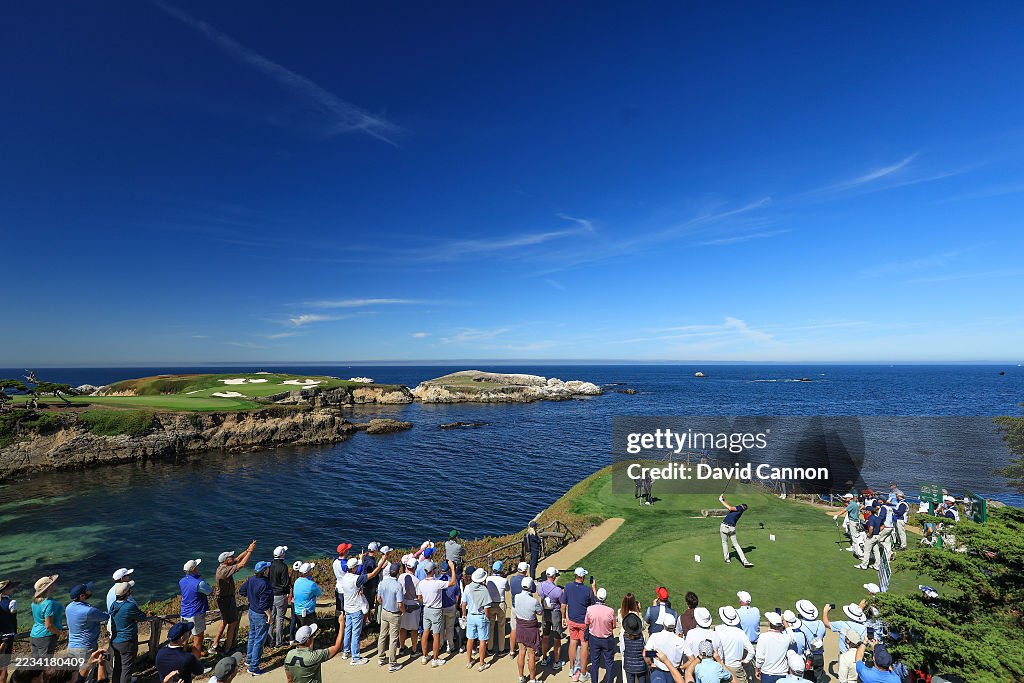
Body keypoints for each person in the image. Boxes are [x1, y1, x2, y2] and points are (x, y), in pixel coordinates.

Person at [341, 552, 387, 665]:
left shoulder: (345, 577)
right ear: (353, 568)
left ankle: (346, 652)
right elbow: (372, 574)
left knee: (348, 630)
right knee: (356, 633)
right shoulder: (356, 579)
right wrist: (381, 563)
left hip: (347, 607)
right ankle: (355, 658)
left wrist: (361, 561)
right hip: (356, 609)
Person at [212, 541, 256, 655]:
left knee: (225, 621)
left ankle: (215, 644)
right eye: (230, 557)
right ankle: (228, 648)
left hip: (224, 599)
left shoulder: (223, 566)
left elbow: (237, 559)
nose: (233, 557)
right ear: (226, 561)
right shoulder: (224, 571)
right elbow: (241, 564)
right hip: (226, 599)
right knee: (233, 622)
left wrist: (247, 549)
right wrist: (250, 552)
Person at [416, 559, 457, 667]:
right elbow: (452, 582)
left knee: (425, 632)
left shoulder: (421, 583)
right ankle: (435, 659)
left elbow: (419, 598)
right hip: (436, 610)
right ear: (433, 570)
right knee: (436, 635)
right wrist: (452, 568)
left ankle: (424, 656)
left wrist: (425, 602)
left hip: (426, 609)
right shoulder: (437, 583)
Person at [64, 582, 108, 681]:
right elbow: (105, 616)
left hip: (72, 646)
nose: (90, 591)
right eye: (87, 591)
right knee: (86, 677)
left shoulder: (68, 607)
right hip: (85, 648)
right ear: (82, 596)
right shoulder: (88, 611)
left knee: (74, 676)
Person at [238, 561, 274, 675]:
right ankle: (253, 667)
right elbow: (264, 605)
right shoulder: (265, 584)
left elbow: (241, 591)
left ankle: (248, 660)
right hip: (260, 615)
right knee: (259, 640)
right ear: (264, 571)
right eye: (267, 568)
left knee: (252, 636)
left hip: (252, 611)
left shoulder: (251, 579)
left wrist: (252, 598)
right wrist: (269, 615)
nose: (269, 569)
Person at [108, 581, 147, 683]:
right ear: (127, 593)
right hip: (127, 641)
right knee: (126, 669)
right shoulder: (129, 606)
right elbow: (142, 617)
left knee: (118, 666)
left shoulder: (113, 605)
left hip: (115, 640)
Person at [564, 567, 596, 683]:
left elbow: (563, 604)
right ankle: (583, 673)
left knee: (573, 642)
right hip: (583, 623)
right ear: (582, 577)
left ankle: (571, 669)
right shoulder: (588, 590)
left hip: (572, 621)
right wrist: (594, 588)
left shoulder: (567, 587)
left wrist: (563, 617)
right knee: (584, 644)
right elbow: (594, 605)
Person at [462, 568, 495, 672]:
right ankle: (481, 663)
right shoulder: (484, 590)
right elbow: (486, 608)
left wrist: (464, 615)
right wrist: (488, 619)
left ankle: (469, 660)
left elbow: (463, 604)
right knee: (482, 640)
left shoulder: (467, 588)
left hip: (470, 616)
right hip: (481, 617)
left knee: (470, 639)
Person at [179, 559, 212, 660]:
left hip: (184, 612)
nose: (198, 567)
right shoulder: (199, 583)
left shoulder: (182, 581)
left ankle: (183, 659)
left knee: (184, 637)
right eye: (197, 566)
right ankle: (195, 666)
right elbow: (209, 591)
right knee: (198, 639)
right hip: (196, 613)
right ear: (194, 569)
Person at [512, 576, 543, 683]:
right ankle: (532, 679)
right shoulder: (533, 601)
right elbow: (540, 612)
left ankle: (521, 677)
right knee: (531, 655)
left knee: (521, 652)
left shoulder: (516, 597)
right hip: (531, 630)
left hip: (520, 628)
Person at [643, 612, 686, 683]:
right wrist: (682, 667)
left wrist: (650, 663)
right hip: (674, 673)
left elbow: (645, 654)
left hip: (658, 672)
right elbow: (690, 658)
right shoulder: (681, 641)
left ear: (663, 624)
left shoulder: (655, 636)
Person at [375, 563, 403, 672]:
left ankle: (381, 658)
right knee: (393, 638)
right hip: (394, 614)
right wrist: (403, 611)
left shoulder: (383, 583)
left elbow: (378, 598)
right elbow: (400, 603)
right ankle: (392, 663)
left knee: (382, 635)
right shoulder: (397, 585)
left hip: (384, 611)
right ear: (397, 572)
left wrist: (384, 604)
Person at [585, 588, 616, 683]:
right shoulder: (610, 611)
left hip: (594, 639)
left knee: (595, 663)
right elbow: (613, 626)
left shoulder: (590, 609)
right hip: (607, 640)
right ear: (605, 598)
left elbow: (587, 622)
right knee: (609, 663)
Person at [715, 606, 754, 683]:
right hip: (736, 667)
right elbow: (752, 651)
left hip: (722, 666)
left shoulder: (717, 629)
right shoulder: (740, 632)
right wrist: (745, 661)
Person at [537, 567, 565, 671]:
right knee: (557, 637)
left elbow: (540, 595)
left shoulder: (540, 586)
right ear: (553, 576)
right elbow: (562, 603)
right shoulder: (558, 591)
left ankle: (544, 658)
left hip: (545, 612)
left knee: (545, 635)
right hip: (555, 613)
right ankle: (556, 661)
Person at [754, 611, 791, 683]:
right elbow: (791, 635)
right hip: (782, 674)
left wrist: (757, 668)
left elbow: (760, 657)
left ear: (769, 623)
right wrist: (785, 622)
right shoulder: (786, 638)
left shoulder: (763, 637)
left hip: (767, 674)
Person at [30, 575, 62, 657]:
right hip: (46, 636)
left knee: (37, 665)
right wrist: (59, 633)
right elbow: (48, 625)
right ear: (49, 587)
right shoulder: (49, 603)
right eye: (53, 583)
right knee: (46, 666)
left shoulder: (34, 602)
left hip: (34, 635)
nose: (55, 584)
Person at [795, 600, 826, 682]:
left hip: (807, 657)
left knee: (806, 679)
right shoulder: (821, 623)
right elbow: (823, 635)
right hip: (819, 655)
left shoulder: (800, 625)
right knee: (819, 679)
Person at [268, 546, 291, 649]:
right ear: (282, 554)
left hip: (270, 595)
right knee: (280, 619)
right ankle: (278, 642)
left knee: (271, 618)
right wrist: (287, 593)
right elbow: (285, 583)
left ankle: (270, 640)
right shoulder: (283, 567)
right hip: (280, 595)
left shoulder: (269, 565)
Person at [719, 495, 753, 567]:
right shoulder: (739, 511)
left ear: (741, 506)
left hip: (724, 527)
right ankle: (744, 561)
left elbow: (730, 508)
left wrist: (721, 501)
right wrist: (724, 500)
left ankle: (727, 559)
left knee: (724, 542)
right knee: (736, 545)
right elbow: (730, 508)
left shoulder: (739, 508)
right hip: (732, 528)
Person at [397, 556, 421, 655]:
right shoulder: (417, 581)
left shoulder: (401, 576)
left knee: (402, 628)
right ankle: (414, 650)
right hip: (414, 606)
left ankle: (402, 647)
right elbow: (419, 597)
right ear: (415, 568)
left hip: (403, 604)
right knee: (414, 629)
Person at [485, 561, 510, 655]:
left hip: (490, 604)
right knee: (501, 627)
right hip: (501, 604)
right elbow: (508, 589)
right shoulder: (504, 580)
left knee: (491, 627)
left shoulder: (488, 579)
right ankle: (501, 649)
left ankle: (490, 648)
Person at [508, 562, 530, 656]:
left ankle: (512, 651)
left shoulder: (512, 579)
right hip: (525, 608)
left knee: (514, 629)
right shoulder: (528, 580)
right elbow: (532, 589)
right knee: (526, 628)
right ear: (525, 571)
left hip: (514, 606)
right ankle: (526, 648)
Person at [331, 543, 352, 639]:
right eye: (347, 549)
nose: (349, 550)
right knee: (345, 611)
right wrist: (360, 562)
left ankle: (337, 629)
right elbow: (355, 571)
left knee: (338, 610)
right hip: (345, 590)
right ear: (344, 552)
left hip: (338, 587)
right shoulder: (345, 564)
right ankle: (343, 631)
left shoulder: (335, 562)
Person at [105, 569, 134, 638]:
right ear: (122, 578)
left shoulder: (111, 590)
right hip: (123, 628)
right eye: (127, 575)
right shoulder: (123, 591)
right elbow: (132, 607)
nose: (129, 577)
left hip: (112, 624)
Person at [620, 613, 648, 683]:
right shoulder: (642, 636)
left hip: (629, 666)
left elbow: (622, 651)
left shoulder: (623, 637)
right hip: (641, 665)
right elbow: (646, 649)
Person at [292, 563, 322, 629]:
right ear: (308, 572)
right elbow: (319, 594)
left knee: (301, 632)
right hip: (308, 612)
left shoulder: (297, 581)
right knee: (310, 631)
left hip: (298, 611)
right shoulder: (311, 584)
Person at [0, 579, 19, 683]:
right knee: (4, 668)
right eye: (10, 588)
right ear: (5, 591)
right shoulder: (12, 603)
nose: (12, 589)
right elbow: (13, 619)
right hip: (7, 636)